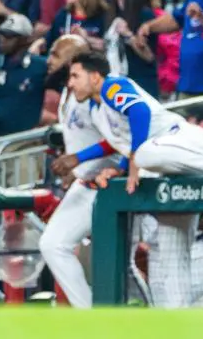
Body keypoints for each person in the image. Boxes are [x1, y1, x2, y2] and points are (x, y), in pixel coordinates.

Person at [69, 53, 203, 308]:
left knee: (146, 154)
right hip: (173, 168)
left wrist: (134, 164)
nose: (70, 84)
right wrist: (120, 167)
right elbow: (125, 142)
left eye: (75, 76)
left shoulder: (112, 86)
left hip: (184, 141)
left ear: (94, 76)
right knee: (172, 259)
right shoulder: (96, 111)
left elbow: (140, 113)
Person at [41, 39, 118, 310]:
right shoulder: (70, 93)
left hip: (111, 183)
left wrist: (78, 160)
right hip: (86, 182)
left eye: (56, 52)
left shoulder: (95, 96)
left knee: (123, 264)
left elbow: (118, 139)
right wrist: (76, 169)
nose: (49, 57)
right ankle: (89, 314)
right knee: (52, 244)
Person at [0, 14, 48, 135]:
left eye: (9, 36)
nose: (2, 40)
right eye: (1, 34)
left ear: (26, 39)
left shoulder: (40, 66)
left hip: (28, 139)